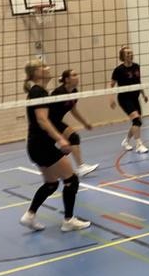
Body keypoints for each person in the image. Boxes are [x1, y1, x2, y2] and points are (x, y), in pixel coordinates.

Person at [20, 59, 90, 232]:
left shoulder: (40, 91)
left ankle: (29, 215)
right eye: (43, 66)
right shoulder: (38, 92)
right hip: (42, 146)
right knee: (71, 180)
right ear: (36, 73)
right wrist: (60, 139)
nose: (48, 67)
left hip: (36, 146)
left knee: (51, 184)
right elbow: (42, 120)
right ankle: (68, 220)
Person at [50, 69, 98, 177]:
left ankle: (79, 167)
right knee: (64, 144)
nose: (77, 77)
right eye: (74, 75)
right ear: (67, 79)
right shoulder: (58, 92)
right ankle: (55, 166)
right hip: (48, 124)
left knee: (72, 140)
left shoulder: (74, 91)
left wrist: (85, 122)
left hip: (56, 122)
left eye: (77, 74)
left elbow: (73, 109)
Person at [109, 47, 149, 154]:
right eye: (127, 53)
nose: (130, 55)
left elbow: (138, 82)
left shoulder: (136, 66)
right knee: (136, 120)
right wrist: (111, 98)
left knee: (138, 122)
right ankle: (139, 144)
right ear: (122, 56)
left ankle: (126, 141)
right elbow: (111, 85)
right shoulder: (118, 70)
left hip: (135, 97)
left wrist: (144, 94)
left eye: (131, 53)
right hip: (124, 99)